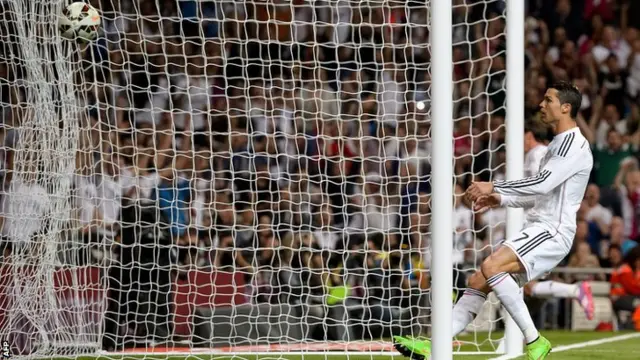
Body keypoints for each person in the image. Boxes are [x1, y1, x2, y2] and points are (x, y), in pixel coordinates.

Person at [393, 82, 592, 360]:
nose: (541, 105)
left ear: (566, 107)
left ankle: (534, 340)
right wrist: (501, 200)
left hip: (552, 230)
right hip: (540, 227)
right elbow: (539, 196)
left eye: (548, 100)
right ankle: (435, 345)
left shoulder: (573, 144)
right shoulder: (557, 145)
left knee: (490, 265)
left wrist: (494, 188)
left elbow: (542, 184)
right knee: (478, 280)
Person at [521, 120, 595, 321]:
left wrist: (502, 195)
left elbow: (541, 189)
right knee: (523, 285)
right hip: (539, 226)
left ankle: (574, 292)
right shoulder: (540, 154)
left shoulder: (537, 154)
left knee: (512, 280)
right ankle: (574, 291)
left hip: (540, 227)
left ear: (529, 135)